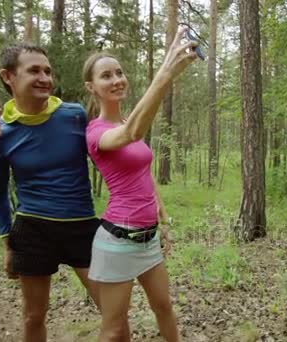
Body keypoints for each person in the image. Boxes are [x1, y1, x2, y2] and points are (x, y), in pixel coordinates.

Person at [83, 27, 197, 342]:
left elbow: (142, 171)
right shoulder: (95, 132)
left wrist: (162, 216)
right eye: (106, 76)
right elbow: (132, 133)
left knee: (164, 306)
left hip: (147, 240)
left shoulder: (124, 121)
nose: (117, 79)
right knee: (115, 329)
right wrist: (166, 72)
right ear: (91, 86)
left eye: (119, 72)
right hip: (117, 242)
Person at [0, 43, 100, 342]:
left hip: (82, 226)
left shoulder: (74, 115)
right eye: (34, 70)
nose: (45, 78)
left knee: (112, 309)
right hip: (32, 230)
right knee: (34, 315)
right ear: (8, 76)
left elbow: (110, 157)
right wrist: (6, 239)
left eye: (47, 71)